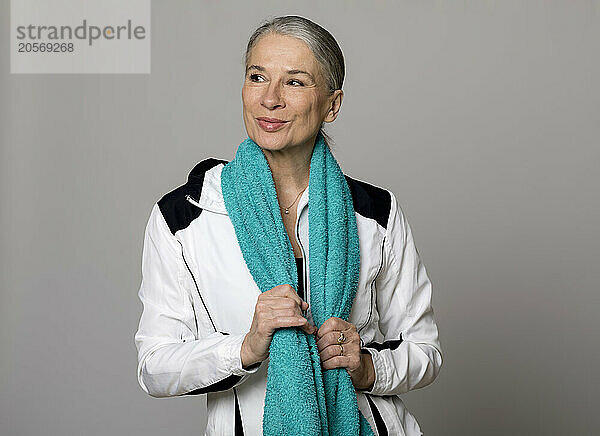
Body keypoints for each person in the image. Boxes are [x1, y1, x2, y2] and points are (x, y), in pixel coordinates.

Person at [134, 15, 442, 436]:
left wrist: (369, 365)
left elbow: (425, 351)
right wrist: (246, 346)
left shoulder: (375, 212)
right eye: (257, 77)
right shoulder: (184, 217)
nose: (270, 99)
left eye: (295, 82)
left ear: (332, 105)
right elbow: (154, 367)